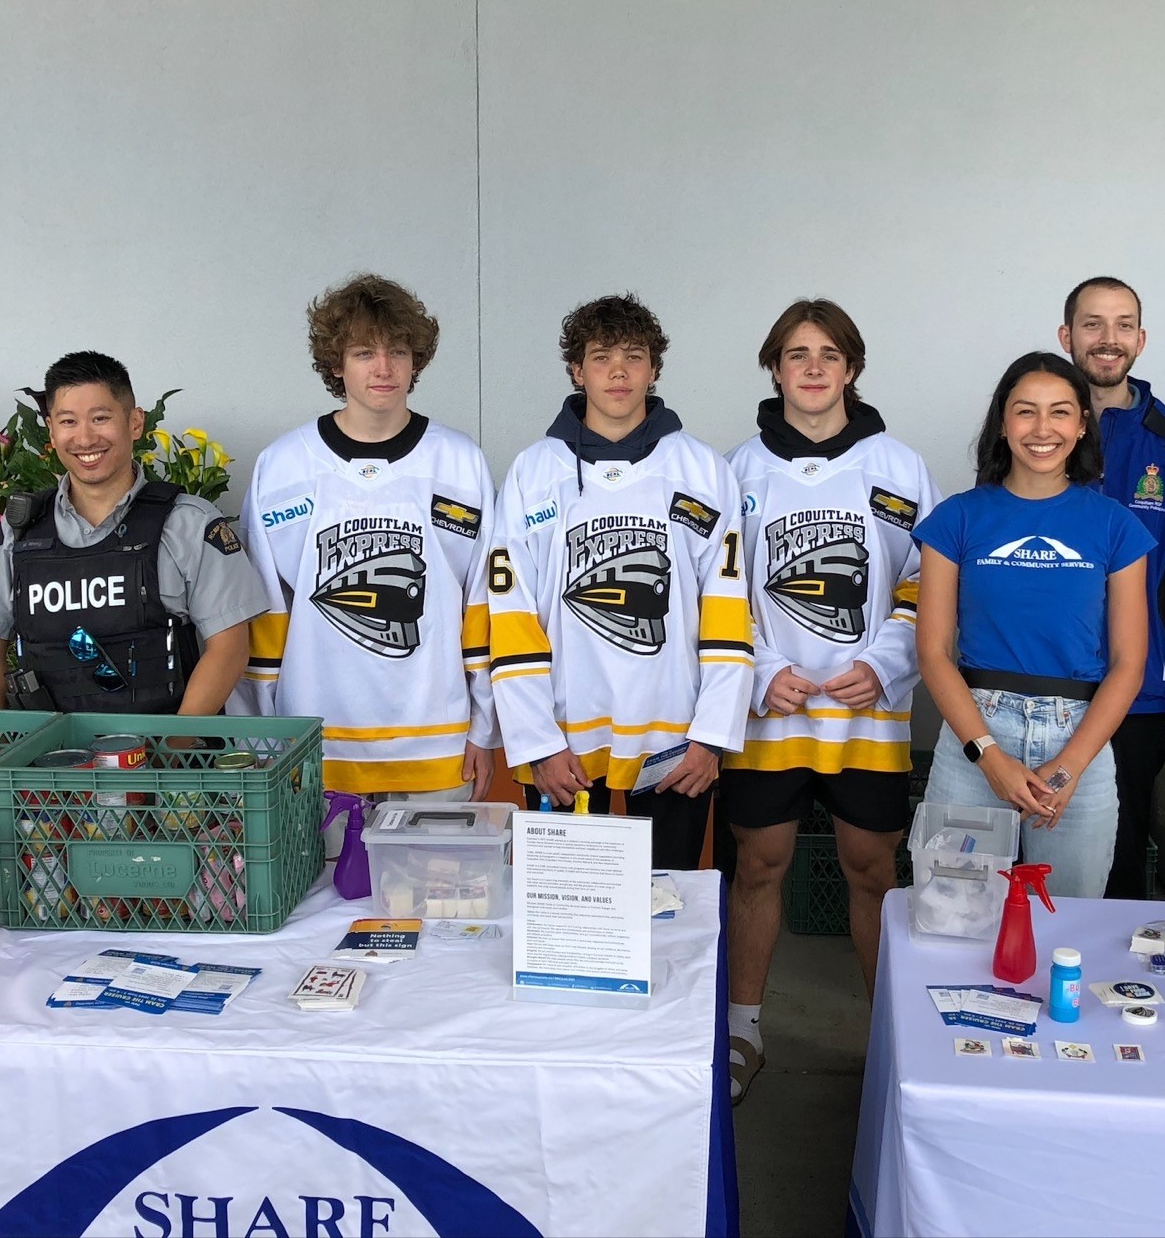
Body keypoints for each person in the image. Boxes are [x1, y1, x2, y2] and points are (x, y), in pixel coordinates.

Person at [721, 298, 940, 1103]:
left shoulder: (900, 467)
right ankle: (742, 1030)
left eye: (828, 354)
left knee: (872, 870)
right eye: (796, 353)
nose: (813, 368)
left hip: (866, 713)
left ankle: (888, 1044)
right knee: (758, 865)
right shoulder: (735, 470)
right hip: (770, 712)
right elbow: (716, 588)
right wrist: (759, 668)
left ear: (851, 368)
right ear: (774, 368)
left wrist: (884, 663)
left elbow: (928, 582)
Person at [490, 294, 754, 871]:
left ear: (653, 370)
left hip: (674, 745)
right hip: (562, 745)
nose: (618, 372)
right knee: (567, 907)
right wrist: (537, 743)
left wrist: (711, 737)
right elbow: (511, 618)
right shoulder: (534, 472)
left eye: (633, 356)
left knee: (665, 904)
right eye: (601, 357)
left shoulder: (702, 469)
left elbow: (729, 611)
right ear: (576, 370)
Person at [232, 275, 499, 801]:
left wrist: (484, 728)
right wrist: (261, 740)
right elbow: (263, 614)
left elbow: (482, 604)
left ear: (415, 361)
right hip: (315, 746)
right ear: (336, 363)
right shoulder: (284, 467)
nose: (384, 368)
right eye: (363, 353)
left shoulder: (460, 462)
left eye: (397, 351)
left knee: (437, 862)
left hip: (437, 743)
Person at [913, 351, 1151, 898]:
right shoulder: (956, 518)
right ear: (1003, 423)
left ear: (1082, 424)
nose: (1043, 429)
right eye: (1026, 411)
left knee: (1065, 920)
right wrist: (988, 756)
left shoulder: (1116, 526)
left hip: (1080, 737)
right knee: (953, 915)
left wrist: (1068, 769)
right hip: (976, 734)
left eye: (1060, 412)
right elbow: (933, 653)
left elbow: (1129, 663)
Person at [0, 351, 266, 715]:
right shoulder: (20, 530)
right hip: (48, 749)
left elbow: (229, 650)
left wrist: (172, 744)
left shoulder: (188, 523)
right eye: (68, 421)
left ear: (135, 423)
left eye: (100, 418)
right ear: (51, 430)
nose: (85, 438)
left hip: (165, 746)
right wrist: (4, 740)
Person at [1058, 275, 1165, 898]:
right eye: (1092, 324)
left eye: (1123, 325)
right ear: (1066, 336)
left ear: (1141, 340)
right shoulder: (1039, 429)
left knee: (1119, 853)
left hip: (1139, 684)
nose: (1108, 338)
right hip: (1042, 675)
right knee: (1033, 839)